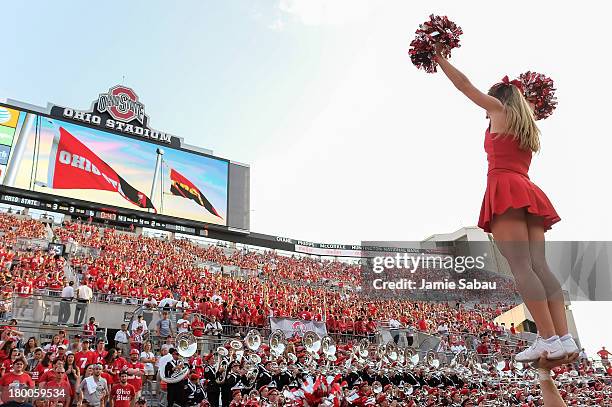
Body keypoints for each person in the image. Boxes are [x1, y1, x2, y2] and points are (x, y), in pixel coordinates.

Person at [434, 46, 578, 362]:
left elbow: (464, 86)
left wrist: (438, 57)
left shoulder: (500, 112)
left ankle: (548, 338)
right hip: (528, 190)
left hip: (505, 188)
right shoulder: (524, 123)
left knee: (521, 266)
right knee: (541, 265)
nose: (484, 110)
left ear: (498, 98)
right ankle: (564, 338)